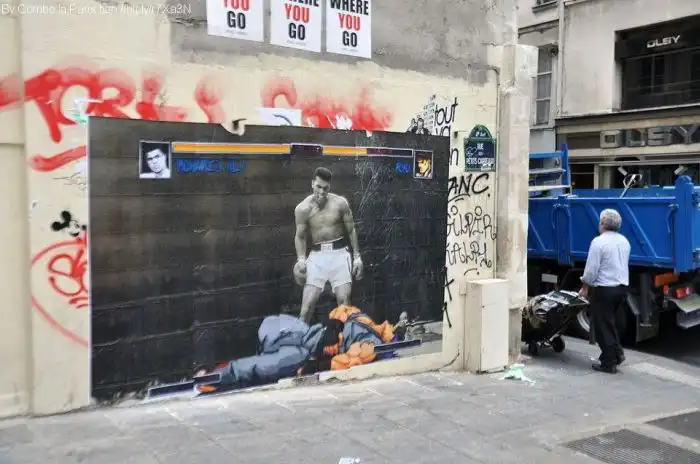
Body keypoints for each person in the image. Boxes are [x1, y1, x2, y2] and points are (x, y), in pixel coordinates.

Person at [293, 167, 363, 323]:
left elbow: (351, 230)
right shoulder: (302, 208)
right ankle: (300, 338)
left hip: (340, 254)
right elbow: (300, 236)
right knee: (306, 308)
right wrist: (301, 259)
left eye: (325, 188)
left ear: (329, 186)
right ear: (312, 183)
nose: (321, 192)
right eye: (318, 187)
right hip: (317, 257)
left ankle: (345, 338)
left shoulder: (340, 203)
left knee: (344, 304)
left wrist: (357, 257)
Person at [578, 209, 631, 374]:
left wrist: (585, 286)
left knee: (602, 327)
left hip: (605, 289)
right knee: (609, 324)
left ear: (602, 223)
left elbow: (591, 270)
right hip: (621, 288)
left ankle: (609, 363)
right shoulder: (624, 241)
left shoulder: (598, 242)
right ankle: (617, 354)